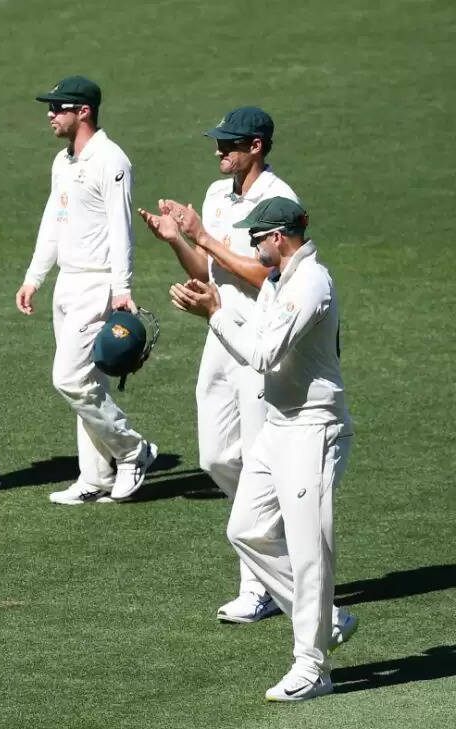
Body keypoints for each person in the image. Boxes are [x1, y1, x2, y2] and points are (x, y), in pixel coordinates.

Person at [170, 197, 357, 702]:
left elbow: (262, 354)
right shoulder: (277, 281)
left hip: (313, 430)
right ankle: (326, 620)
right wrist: (216, 304)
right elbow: (254, 334)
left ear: (279, 237)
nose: (252, 246)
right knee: (246, 529)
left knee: (309, 551)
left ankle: (312, 668)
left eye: (257, 237)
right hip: (279, 425)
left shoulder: (310, 283)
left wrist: (213, 314)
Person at [138, 107, 296, 623]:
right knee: (216, 458)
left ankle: (261, 584)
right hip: (220, 332)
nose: (218, 151)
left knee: (255, 459)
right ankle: (278, 549)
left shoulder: (279, 199)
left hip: (260, 341)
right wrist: (176, 239)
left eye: (229, 144)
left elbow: (269, 274)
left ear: (256, 146)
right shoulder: (215, 193)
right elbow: (208, 271)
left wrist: (202, 235)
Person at [16, 76, 157, 505]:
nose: (50, 115)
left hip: (98, 283)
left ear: (84, 112)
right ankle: (95, 478)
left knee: (69, 378)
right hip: (67, 283)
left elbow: (121, 228)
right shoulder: (63, 162)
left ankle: (133, 450)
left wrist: (122, 289)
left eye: (59, 107)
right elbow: (53, 220)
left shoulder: (111, 160)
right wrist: (35, 277)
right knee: (89, 381)